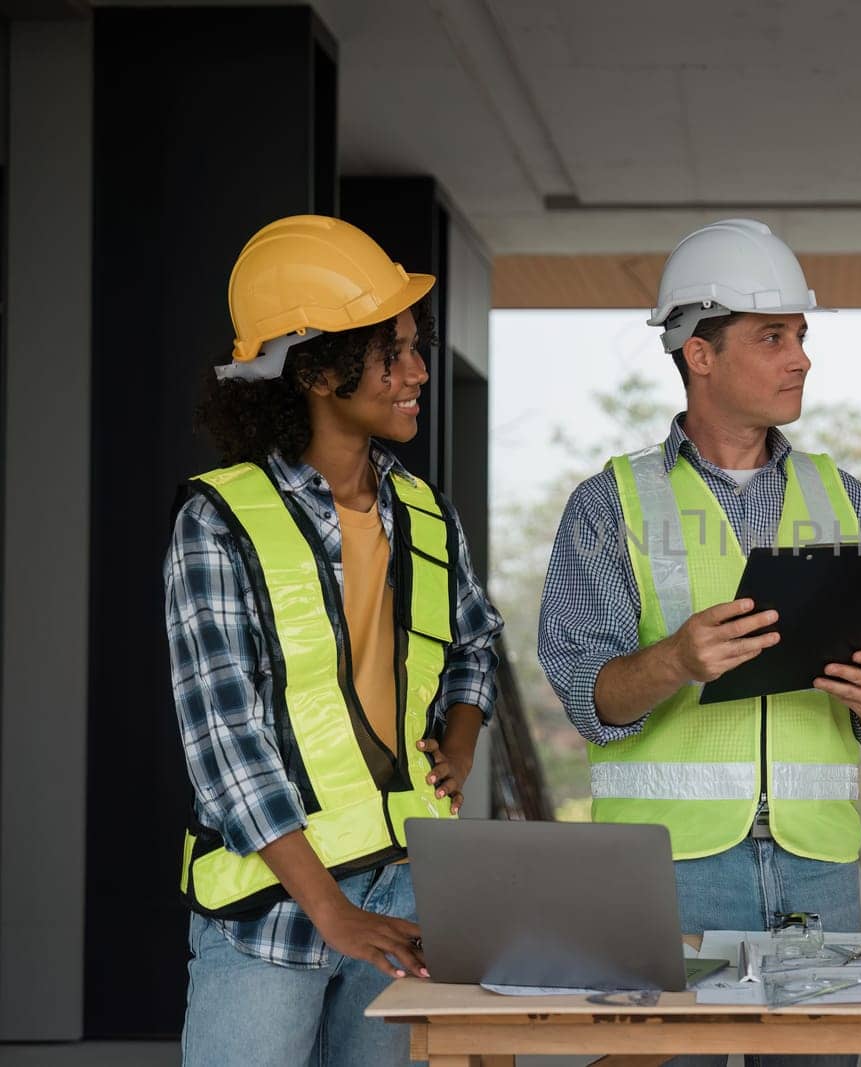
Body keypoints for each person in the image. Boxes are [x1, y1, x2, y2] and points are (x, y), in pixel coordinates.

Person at [538, 219, 861, 1063]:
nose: (801, 358)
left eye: (801, 335)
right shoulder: (610, 505)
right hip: (667, 868)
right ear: (698, 353)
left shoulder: (841, 493)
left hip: (814, 863)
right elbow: (586, 692)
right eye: (773, 336)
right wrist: (674, 660)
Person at [167, 215, 503, 1065]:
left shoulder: (424, 513)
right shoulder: (220, 520)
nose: (418, 371)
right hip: (276, 909)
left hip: (407, 890)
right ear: (316, 368)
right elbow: (225, 743)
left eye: (414, 346)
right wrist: (331, 909)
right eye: (394, 351)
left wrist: (457, 746)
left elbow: (472, 648)